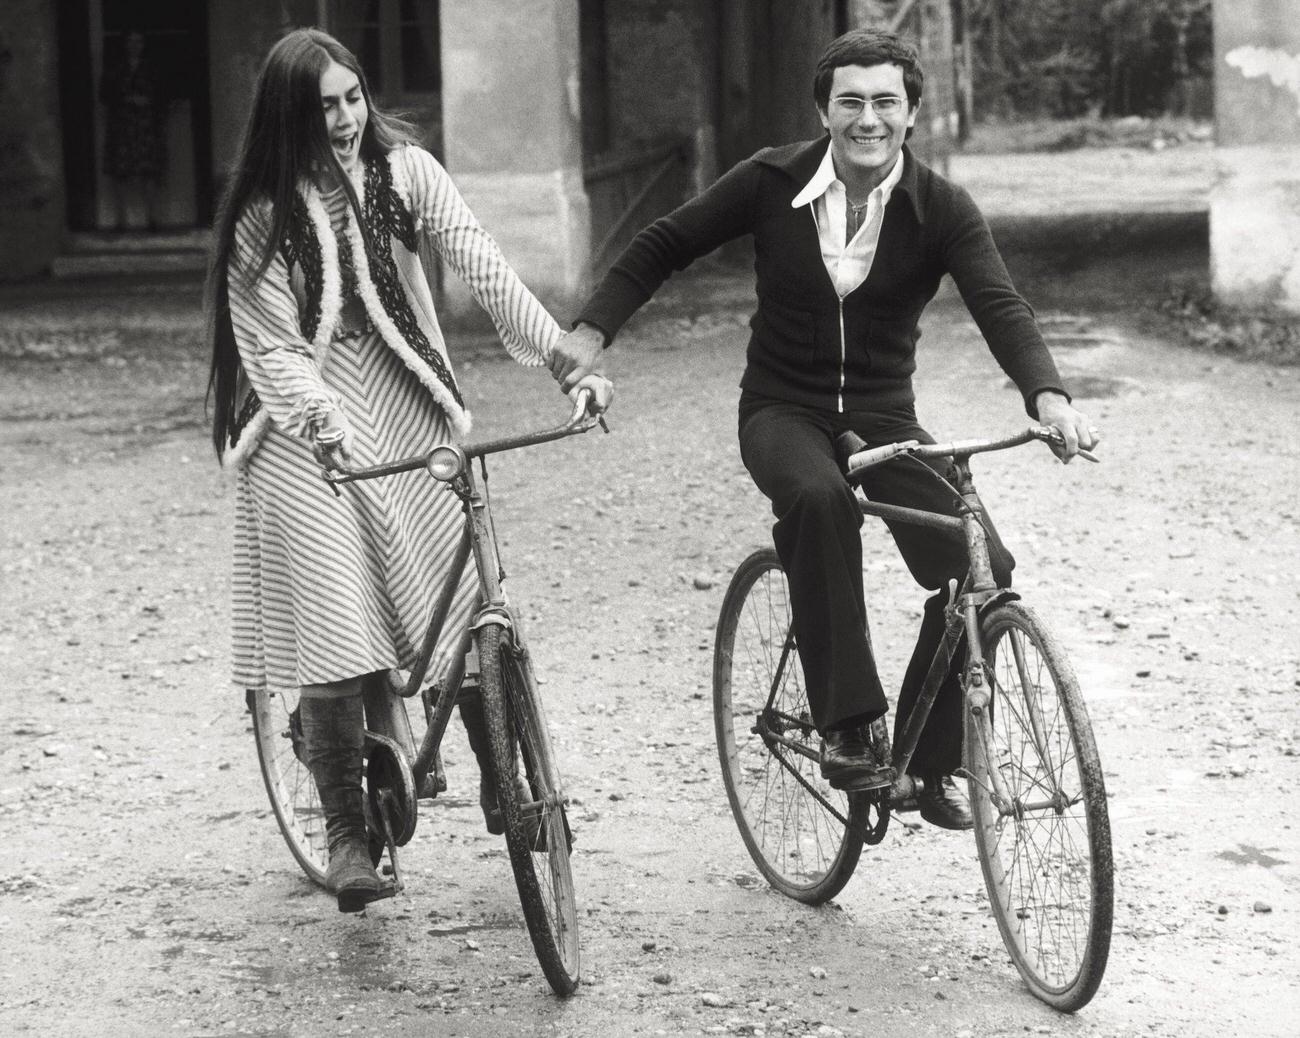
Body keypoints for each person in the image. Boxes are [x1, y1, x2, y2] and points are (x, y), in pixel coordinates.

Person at [549, 28, 1096, 830]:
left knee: (982, 569)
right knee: (818, 498)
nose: (867, 119)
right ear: (824, 111)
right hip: (782, 408)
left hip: (884, 416)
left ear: (911, 113)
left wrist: (1048, 397)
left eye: (885, 102)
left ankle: (928, 756)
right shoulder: (772, 180)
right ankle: (846, 725)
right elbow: (666, 243)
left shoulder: (941, 209)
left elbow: (1001, 307)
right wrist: (592, 330)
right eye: (851, 102)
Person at [205, 28, 610, 912]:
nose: (346, 120)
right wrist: (320, 419)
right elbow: (271, 348)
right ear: (289, 118)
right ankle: (348, 833)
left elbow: (485, 268)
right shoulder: (259, 219)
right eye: (324, 108)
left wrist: (564, 360)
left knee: (459, 590)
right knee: (336, 620)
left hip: (403, 394)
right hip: (297, 426)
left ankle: (506, 779)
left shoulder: (407, 174)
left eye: (353, 98)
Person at [100, 29, 166, 229]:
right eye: (131, 41)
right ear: (125, 44)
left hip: (146, 126)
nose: (135, 45)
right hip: (122, 125)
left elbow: (164, 94)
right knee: (120, 171)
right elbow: (103, 95)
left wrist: (149, 102)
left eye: (139, 41)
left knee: (149, 171)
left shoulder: (153, 68)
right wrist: (125, 100)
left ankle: (152, 218)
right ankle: (121, 219)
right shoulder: (115, 69)